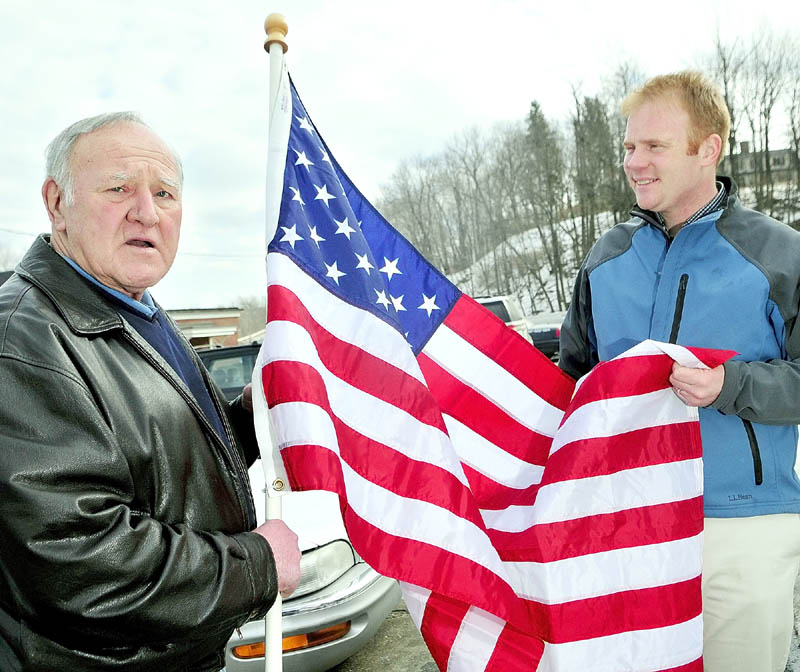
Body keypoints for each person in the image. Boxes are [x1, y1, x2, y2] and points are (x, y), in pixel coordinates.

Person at [0, 112, 301, 671]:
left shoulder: (135, 310)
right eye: (119, 188)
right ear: (56, 203)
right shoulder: (24, 341)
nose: (146, 210)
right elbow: (77, 563)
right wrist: (255, 566)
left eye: (164, 193)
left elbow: (158, 456)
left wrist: (256, 414)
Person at [559, 70, 800, 672]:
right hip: (626, 525)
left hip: (740, 523)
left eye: (654, 147)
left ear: (708, 149)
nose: (634, 162)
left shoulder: (778, 254)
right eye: (629, 147)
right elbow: (569, 386)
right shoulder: (605, 258)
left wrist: (730, 386)